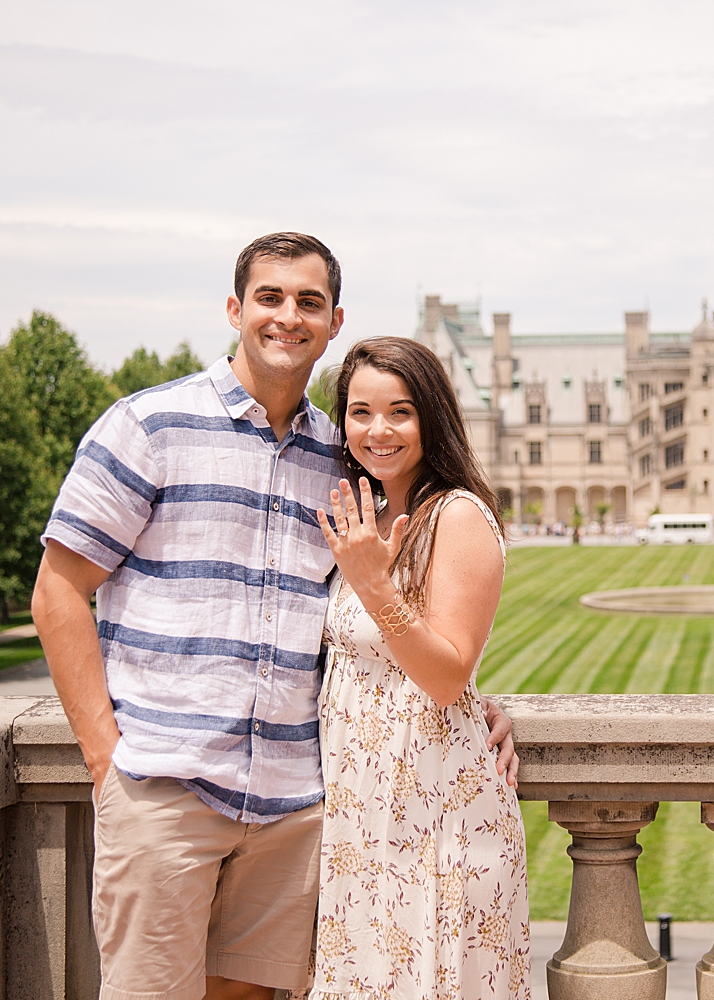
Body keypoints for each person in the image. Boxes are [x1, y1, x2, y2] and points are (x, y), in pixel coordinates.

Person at [31, 234, 516, 1000]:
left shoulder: (344, 458)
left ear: (332, 322)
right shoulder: (149, 426)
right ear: (235, 309)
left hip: (296, 809)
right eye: (271, 297)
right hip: (168, 788)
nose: (289, 316)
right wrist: (105, 762)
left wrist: (473, 705)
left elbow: (405, 631)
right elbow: (57, 590)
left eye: (309, 302)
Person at [312, 337, 529, 999]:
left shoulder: (457, 515)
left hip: (433, 817)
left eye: (399, 412)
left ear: (431, 417)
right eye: (360, 412)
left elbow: (443, 677)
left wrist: (375, 587)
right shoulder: (368, 515)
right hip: (367, 808)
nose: (378, 430)